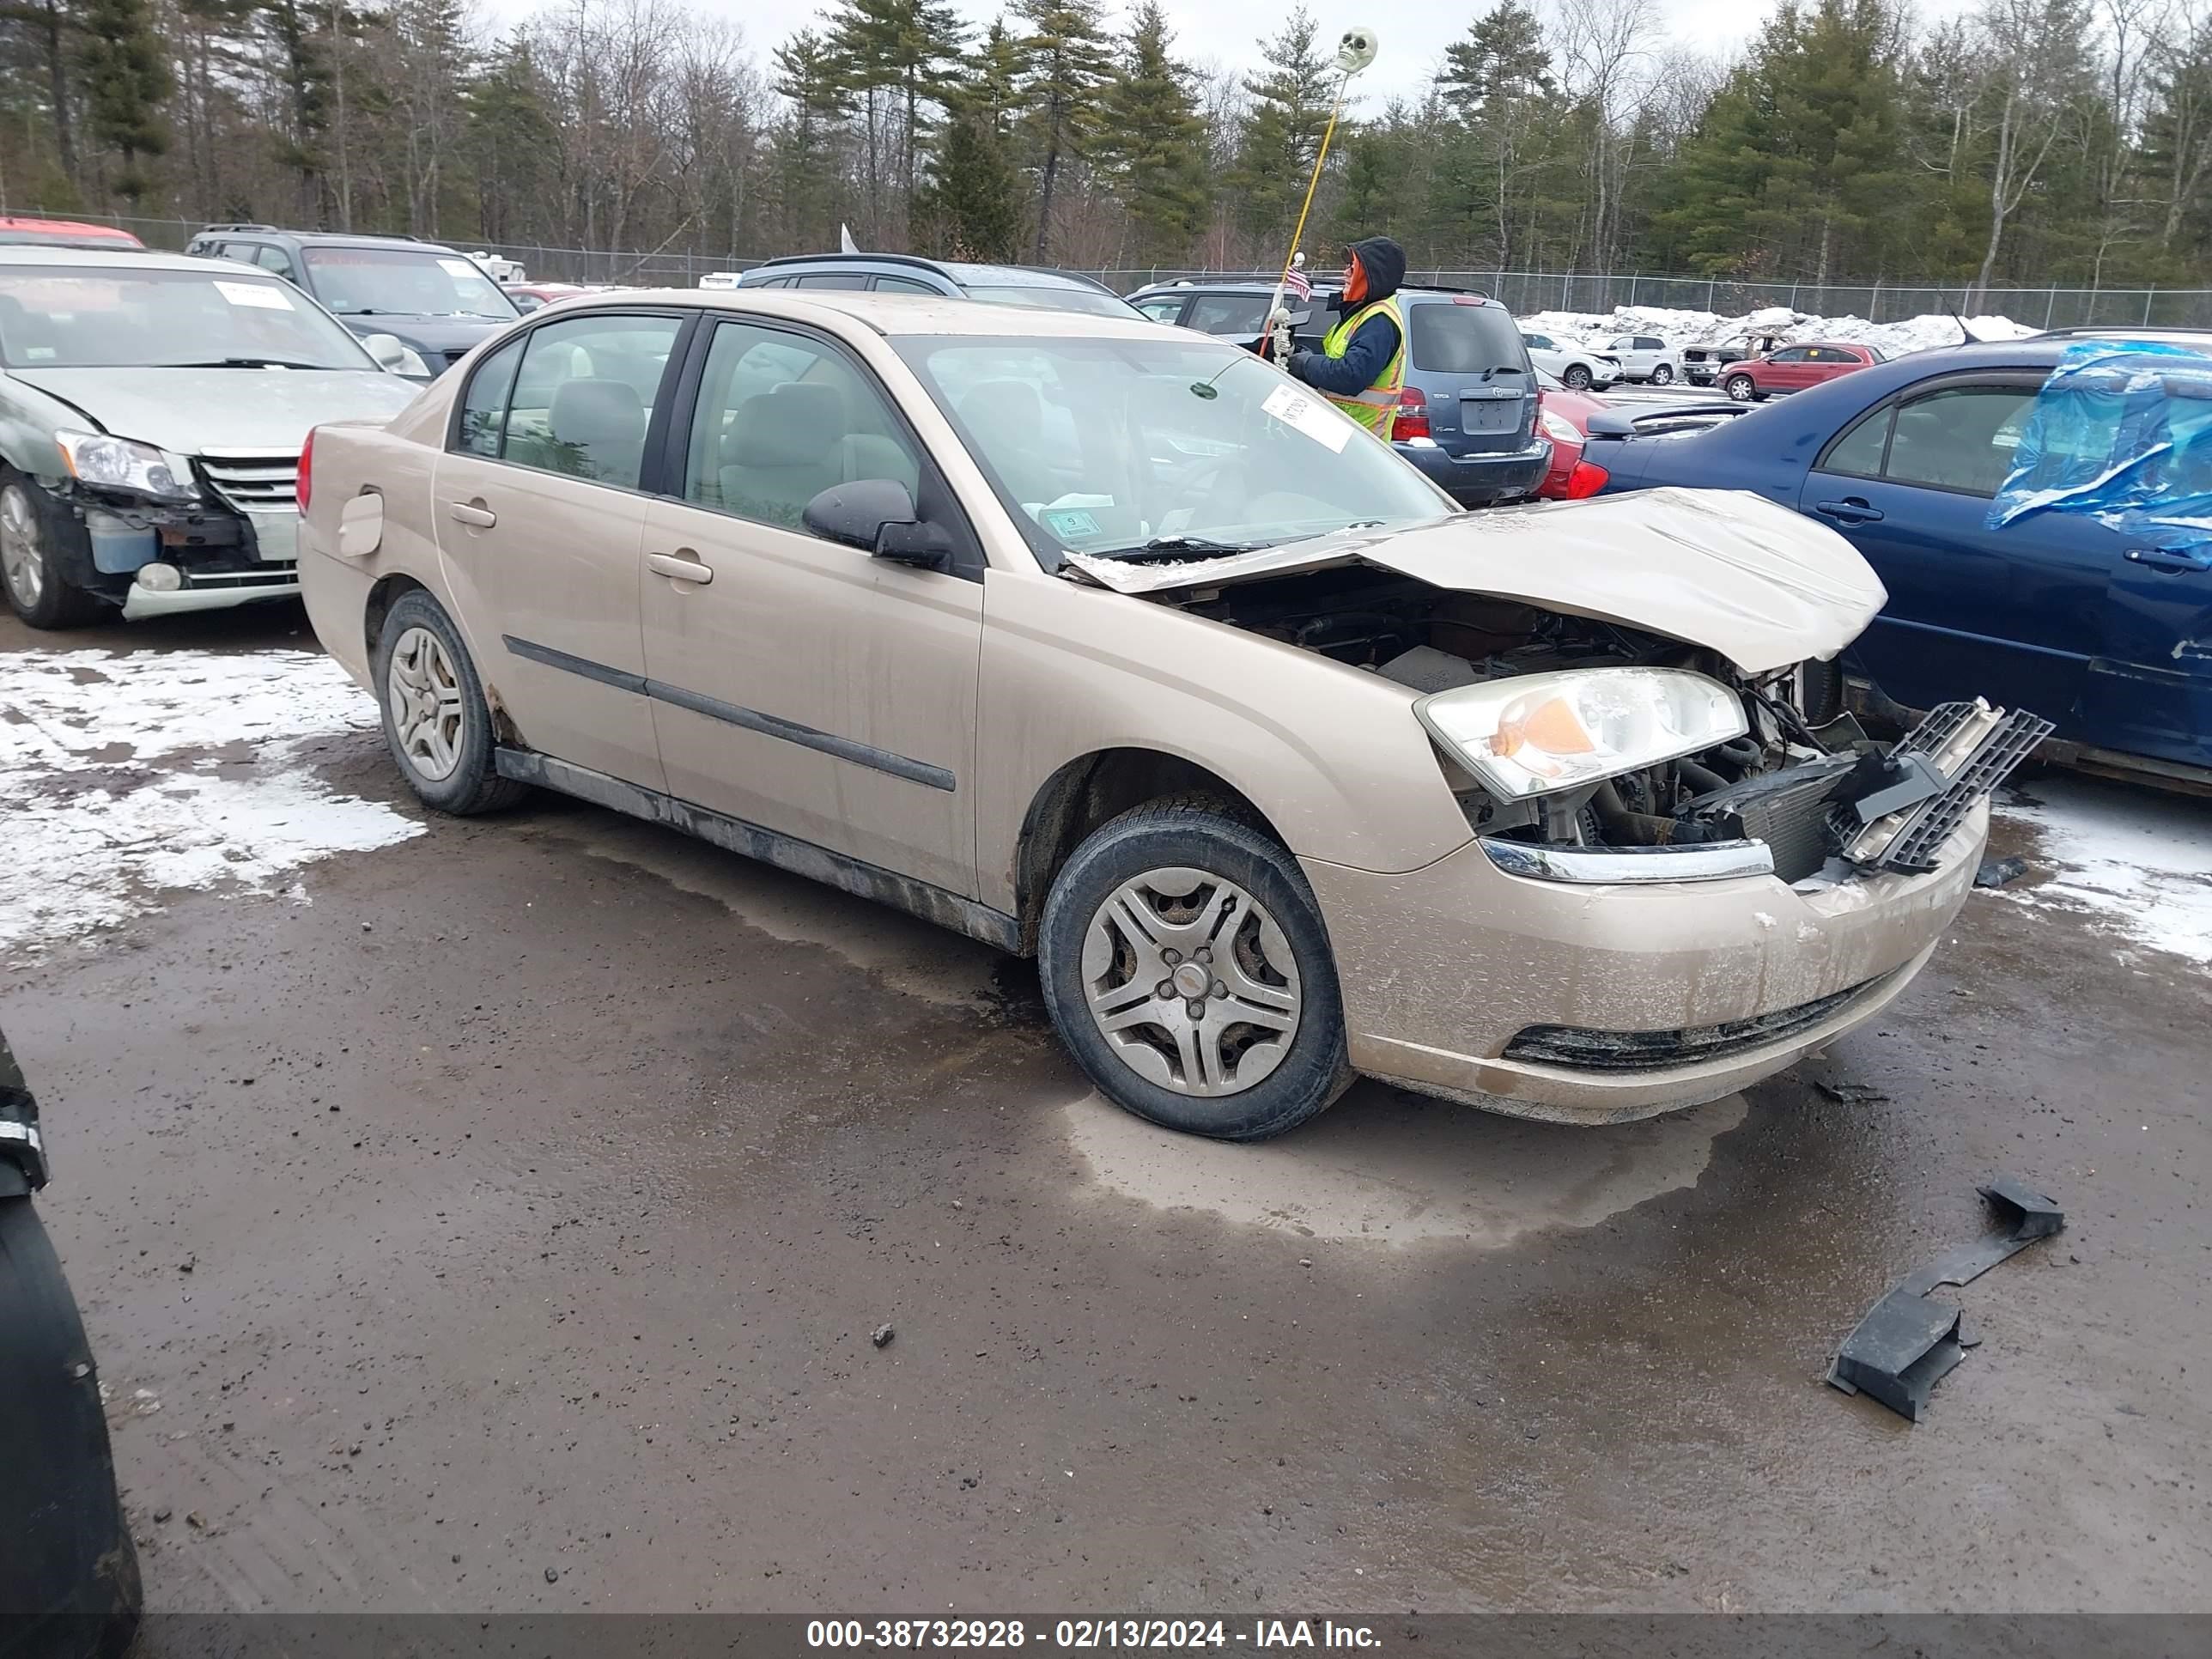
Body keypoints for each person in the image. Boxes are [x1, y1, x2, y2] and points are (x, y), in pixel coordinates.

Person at [1287, 236, 1407, 442]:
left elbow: (1352, 375)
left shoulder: (1379, 321)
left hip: (1360, 442)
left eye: (1352, 268)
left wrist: (1307, 364)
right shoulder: (1361, 315)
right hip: (1338, 436)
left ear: (1372, 275)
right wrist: (1299, 355)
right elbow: (1335, 363)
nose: (1345, 273)